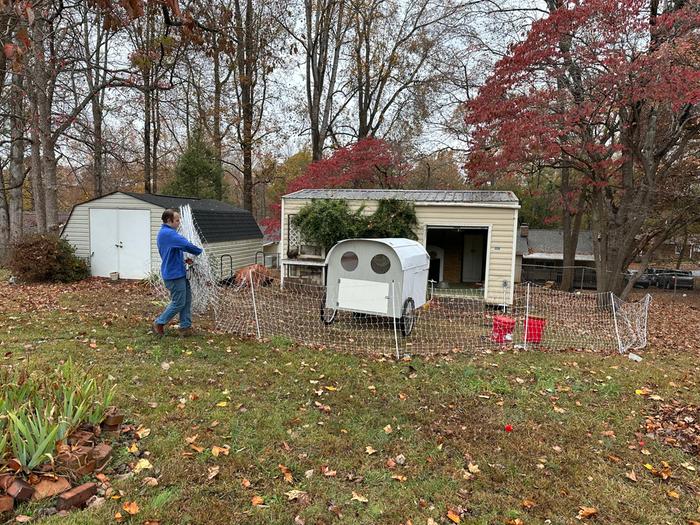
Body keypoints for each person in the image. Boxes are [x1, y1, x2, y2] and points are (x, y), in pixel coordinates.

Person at [152, 208, 203, 337]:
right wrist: (200, 251)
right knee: (178, 302)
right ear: (169, 220)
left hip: (178, 272)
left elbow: (174, 251)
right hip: (173, 275)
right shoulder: (169, 234)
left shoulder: (166, 233)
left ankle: (185, 327)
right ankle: (159, 322)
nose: (179, 222)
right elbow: (186, 245)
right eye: (177, 220)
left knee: (186, 300)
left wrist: (184, 260)